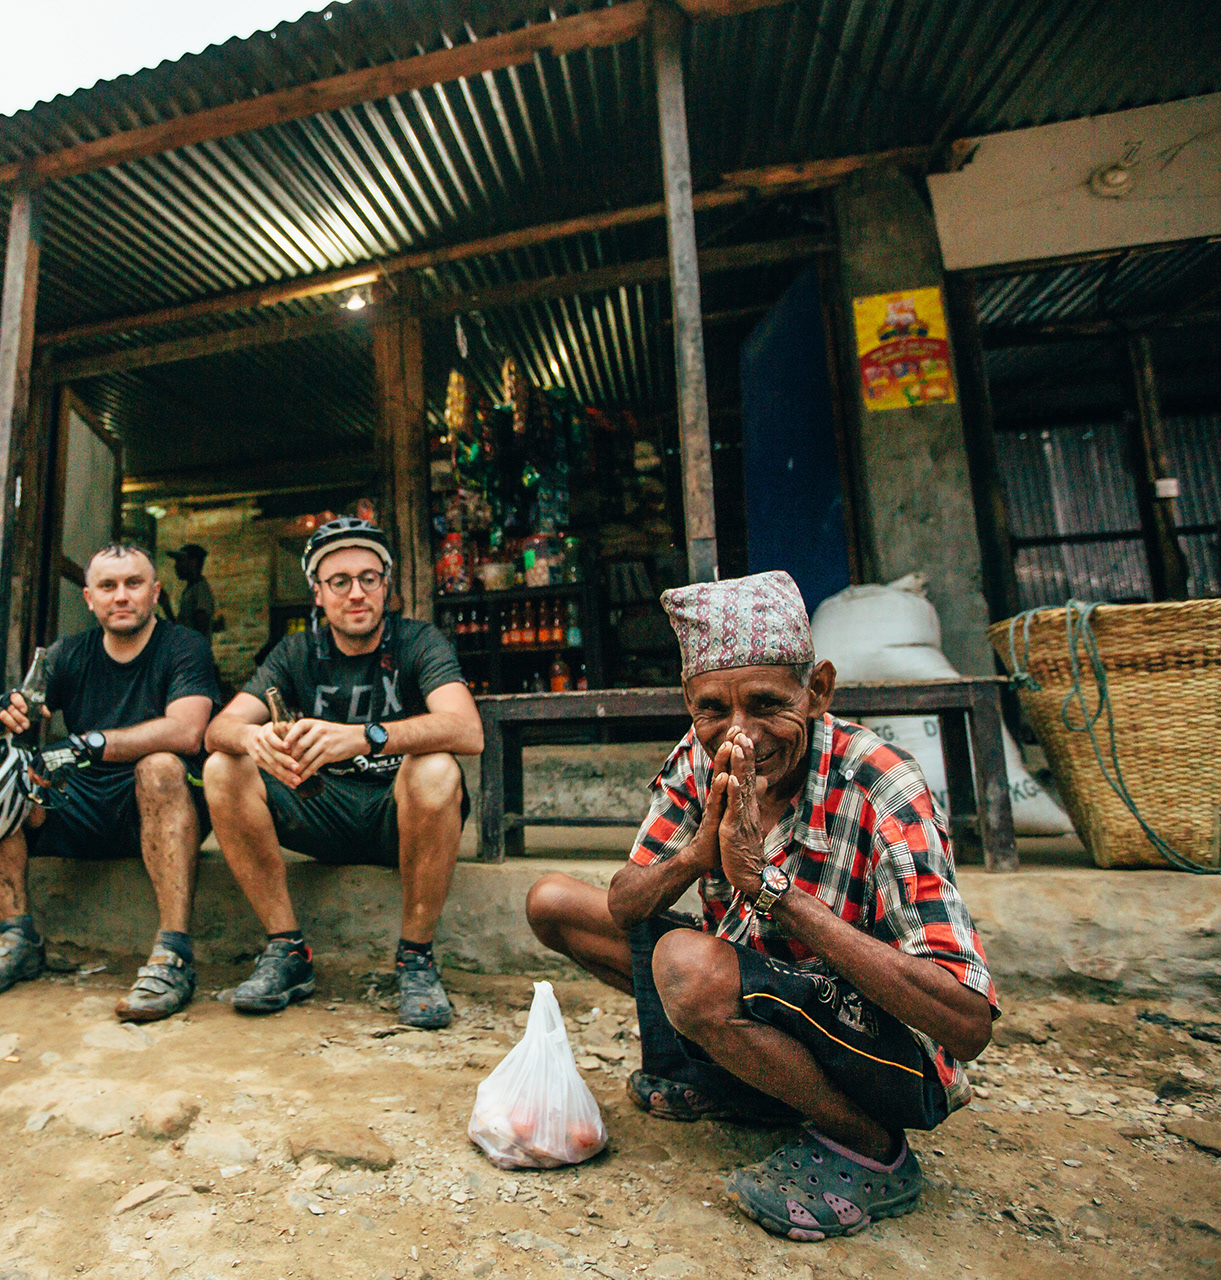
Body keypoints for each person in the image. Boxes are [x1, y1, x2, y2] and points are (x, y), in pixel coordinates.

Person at [523, 570, 996, 1242]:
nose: (739, 734)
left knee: (688, 966)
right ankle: (744, 1078)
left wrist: (772, 891)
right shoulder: (700, 755)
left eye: (767, 703)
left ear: (819, 691)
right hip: (761, 988)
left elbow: (966, 1024)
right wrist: (696, 857)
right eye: (713, 710)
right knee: (554, 903)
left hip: (879, 1048)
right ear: (691, 706)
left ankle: (872, 1148)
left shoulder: (880, 783)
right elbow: (627, 906)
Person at [202, 517, 483, 1030]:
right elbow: (218, 729)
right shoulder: (294, 652)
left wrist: (363, 736)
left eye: (368, 578)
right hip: (319, 811)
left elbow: (468, 731)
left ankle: (415, 958)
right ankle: (287, 950)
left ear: (386, 586)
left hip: (395, 818)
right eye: (339, 582)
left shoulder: (419, 641)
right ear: (317, 593)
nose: (356, 593)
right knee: (222, 767)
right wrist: (251, 738)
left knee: (438, 769)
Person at [0, 543, 221, 1022]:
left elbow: (188, 730)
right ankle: (18, 936)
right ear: (89, 598)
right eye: (108, 586)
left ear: (155, 592)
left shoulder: (184, 646)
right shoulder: (68, 653)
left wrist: (87, 744)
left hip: (154, 804)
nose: (121, 596)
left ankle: (173, 953)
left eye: (133, 584)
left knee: (159, 766)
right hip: (80, 803)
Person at [166, 544, 218, 639]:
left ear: (193, 562)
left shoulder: (200, 590)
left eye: (180, 561)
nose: (176, 566)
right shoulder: (192, 589)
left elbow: (198, 630)